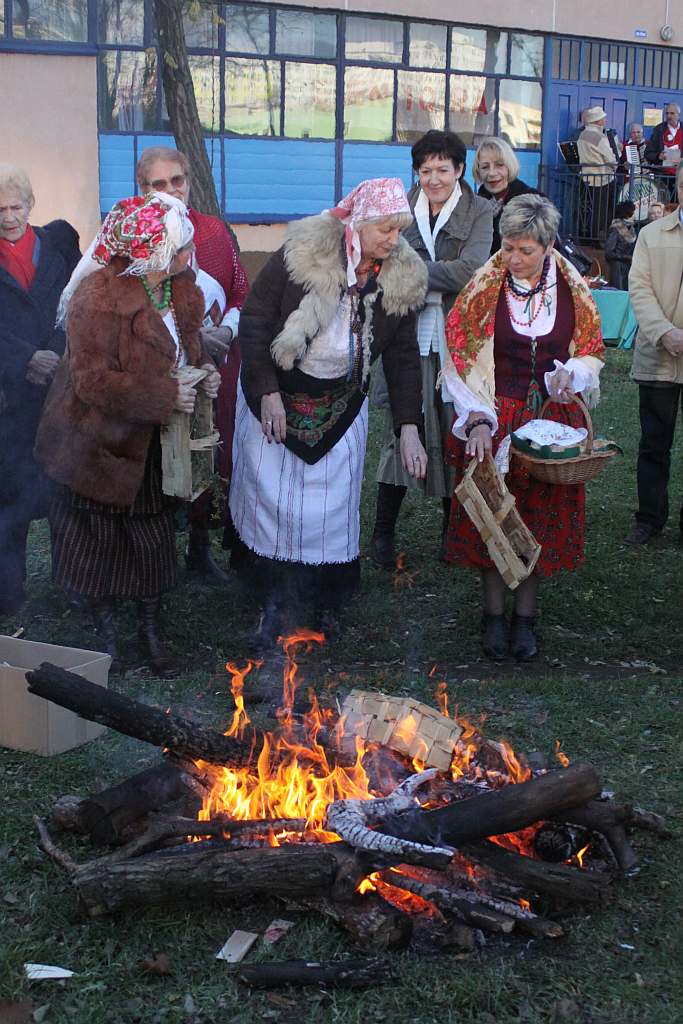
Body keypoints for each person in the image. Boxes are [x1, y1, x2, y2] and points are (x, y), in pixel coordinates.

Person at [230, 178, 428, 640]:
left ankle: (322, 601)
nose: (392, 240)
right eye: (384, 228)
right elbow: (255, 321)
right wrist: (266, 392)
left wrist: (409, 426)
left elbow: (401, 358)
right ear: (357, 223)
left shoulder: (402, 277)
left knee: (329, 511)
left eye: (399, 230)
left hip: (341, 406)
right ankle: (272, 598)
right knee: (272, 504)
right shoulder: (302, 256)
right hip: (278, 394)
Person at [34, 193, 220, 674]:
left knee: (151, 535)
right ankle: (108, 636)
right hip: (97, 442)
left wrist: (204, 371)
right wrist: (161, 398)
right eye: (180, 248)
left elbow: (188, 351)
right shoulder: (97, 299)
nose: (188, 255)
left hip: (152, 443)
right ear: (151, 252)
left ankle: (151, 629)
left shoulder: (180, 289)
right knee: (98, 539)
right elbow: (92, 381)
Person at [442, 194, 605, 661]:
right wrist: (476, 419)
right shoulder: (483, 289)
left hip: (551, 424)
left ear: (549, 244)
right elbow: (462, 357)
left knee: (537, 519)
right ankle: (493, 617)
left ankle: (525, 620)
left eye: (525, 250)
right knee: (494, 515)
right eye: (507, 246)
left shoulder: (572, 289)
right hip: (497, 415)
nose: (513, 258)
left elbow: (591, 347)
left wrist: (571, 374)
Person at [370, 131, 493, 568]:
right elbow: (385, 266)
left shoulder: (481, 211)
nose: (434, 178)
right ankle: (382, 534)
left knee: (453, 431)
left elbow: (471, 271)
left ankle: (452, 536)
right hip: (406, 334)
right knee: (403, 429)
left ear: (460, 170)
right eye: (426, 170)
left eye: (443, 169)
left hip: (459, 338)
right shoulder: (402, 205)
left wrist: (412, 272)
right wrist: (414, 274)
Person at [136, 146, 249, 583]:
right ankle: (156, 552)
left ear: (189, 181)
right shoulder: (131, 235)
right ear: (142, 188)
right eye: (158, 184)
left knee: (208, 448)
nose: (170, 191)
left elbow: (239, 290)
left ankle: (200, 548)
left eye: (176, 181)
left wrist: (227, 332)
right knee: (154, 461)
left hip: (215, 363)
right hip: (154, 368)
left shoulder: (215, 232)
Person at [0, 163, 80, 617]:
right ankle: (10, 596)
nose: (9, 216)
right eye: (1, 209)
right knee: (9, 500)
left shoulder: (59, 245)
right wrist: (23, 359)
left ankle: (70, 587)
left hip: (59, 391)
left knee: (62, 497)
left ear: (31, 205)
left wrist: (54, 351)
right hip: (9, 399)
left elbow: (78, 301)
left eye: (16, 206)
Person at [625, 161, 683, 546]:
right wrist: (665, 333)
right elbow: (639, 289)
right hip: (659, 357)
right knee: (654, 445)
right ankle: (649, 519)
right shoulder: (650, 234)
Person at [473, 136, 538, 254]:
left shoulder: (534, 203)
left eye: (499, 165)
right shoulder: (475, 204)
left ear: (510, 166)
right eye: (485, 167)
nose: (492, 173)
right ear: (478, 171)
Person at [577, 107, 618, 241]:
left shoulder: (582, 135)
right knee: (603, 210)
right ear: (598, 121)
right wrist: (615, 165)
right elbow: (609, 157)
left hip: (587, 176)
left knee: (592, 209)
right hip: (602, 177)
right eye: (603, 118)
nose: (605, 120)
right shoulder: (598, 137)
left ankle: (589, 236)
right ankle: (599, 237)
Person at [645, 103, 682, 197]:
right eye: (667, 113)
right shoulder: (659, 130)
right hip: (662, 176)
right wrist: (658, 156)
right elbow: (648, 153)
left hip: (681, 175)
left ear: (679, 115)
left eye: (672, 113)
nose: (669, 116)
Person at [604, 200, 636, 290]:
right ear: (628, 213)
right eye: (634, 211)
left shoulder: (631, 228)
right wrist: (628, 257)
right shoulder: (616, 228)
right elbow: (609, 252)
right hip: (618, 270)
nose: (635, 214)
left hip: (627, 268)